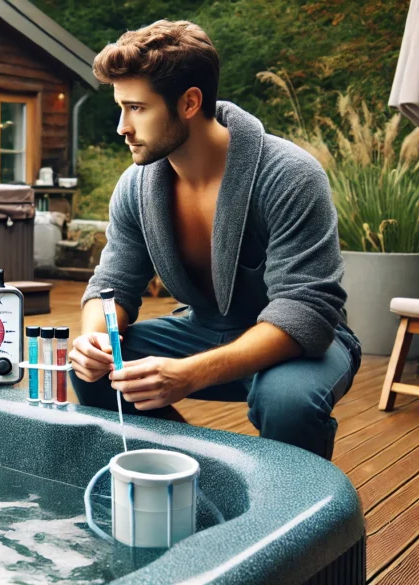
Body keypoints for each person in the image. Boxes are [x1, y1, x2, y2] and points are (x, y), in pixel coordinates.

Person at [68, 19, 362, 460]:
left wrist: (189, 374)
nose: (121, 127)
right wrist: (95, 339)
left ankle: (309, 522)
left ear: (189, 102)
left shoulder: (288, 175)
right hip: (203, 329)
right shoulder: (135, 186)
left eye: (137, 108)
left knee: (287, 402)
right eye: (120, 107)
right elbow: (112, 285)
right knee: (94, 373)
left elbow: (306, 311)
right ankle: (196, 472)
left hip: (301, 341)